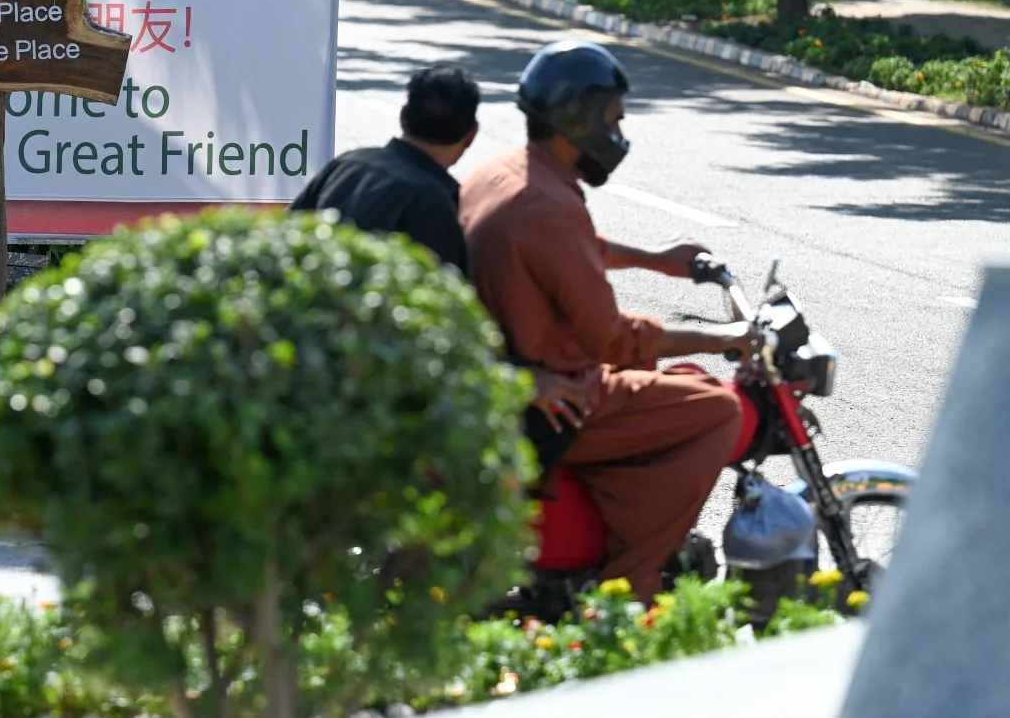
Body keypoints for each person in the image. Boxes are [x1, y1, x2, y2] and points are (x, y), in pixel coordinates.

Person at [460, 40, 758, 603]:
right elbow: (613, 339)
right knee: (720, 407)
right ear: (580, 117)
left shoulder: (505, 175)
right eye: (614, 119)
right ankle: (632, 580)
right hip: (561, 398)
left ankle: (628, 532)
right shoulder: (551, 205)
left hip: (518, 373)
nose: (619, 134)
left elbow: (573, 248)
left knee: (685, 381)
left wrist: (656, 259)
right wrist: (729, 337)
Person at [291, 60, 599, 471]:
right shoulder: (435, 203)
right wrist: (526, 381)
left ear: (404, 117)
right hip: (372, 383)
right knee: (549, 421)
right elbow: (448, 329)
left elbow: (287, 241)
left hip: (303, 357)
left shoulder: (348, 164)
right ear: (470, 137)